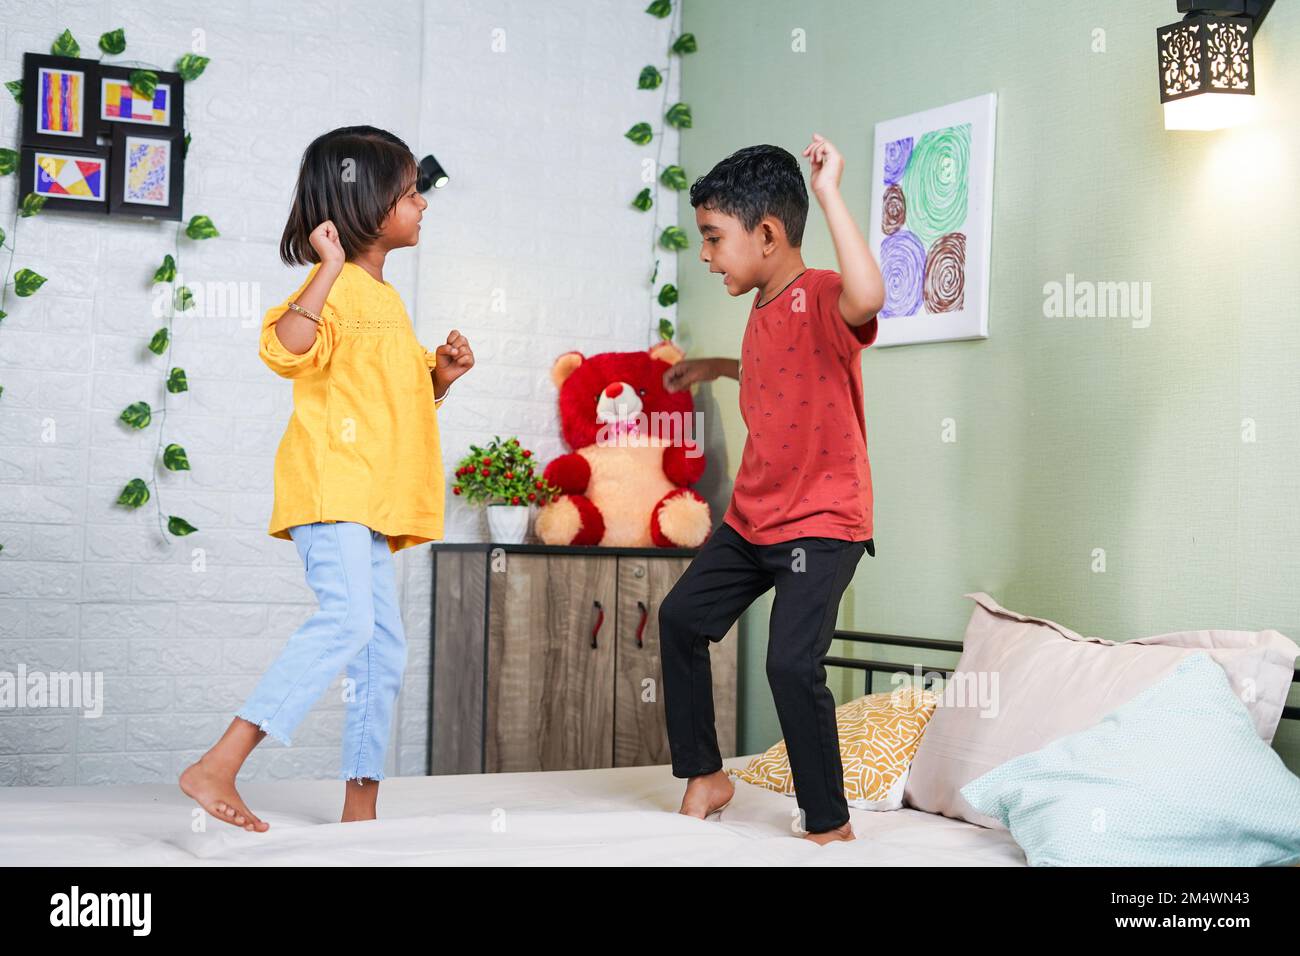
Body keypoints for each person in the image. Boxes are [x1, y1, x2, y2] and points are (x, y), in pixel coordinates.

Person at [179, 126, 474, 831]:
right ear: (369, 206)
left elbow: (392, 404)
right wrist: (328, 267)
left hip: (367, 498)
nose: (422, 205)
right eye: (410, 194)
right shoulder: (334, 288)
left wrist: (440, 378)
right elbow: (287, 348)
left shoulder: (386, 301)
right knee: (347, 622)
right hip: (333, 489)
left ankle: (361, 806)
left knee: (382, 649)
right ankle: (219, 761)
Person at [659, 135, 884, 844]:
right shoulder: (761, 303)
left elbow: (869, 294)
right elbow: (781, 374)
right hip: (754, 519)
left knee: (789, 661)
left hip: (821, 522)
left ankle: (829, 825)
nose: (705, 254)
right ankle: (707, 774)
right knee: (680, 619)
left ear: (768, 234)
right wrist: (715, 366)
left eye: (712, 237)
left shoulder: (820, 294)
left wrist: (829, 192)